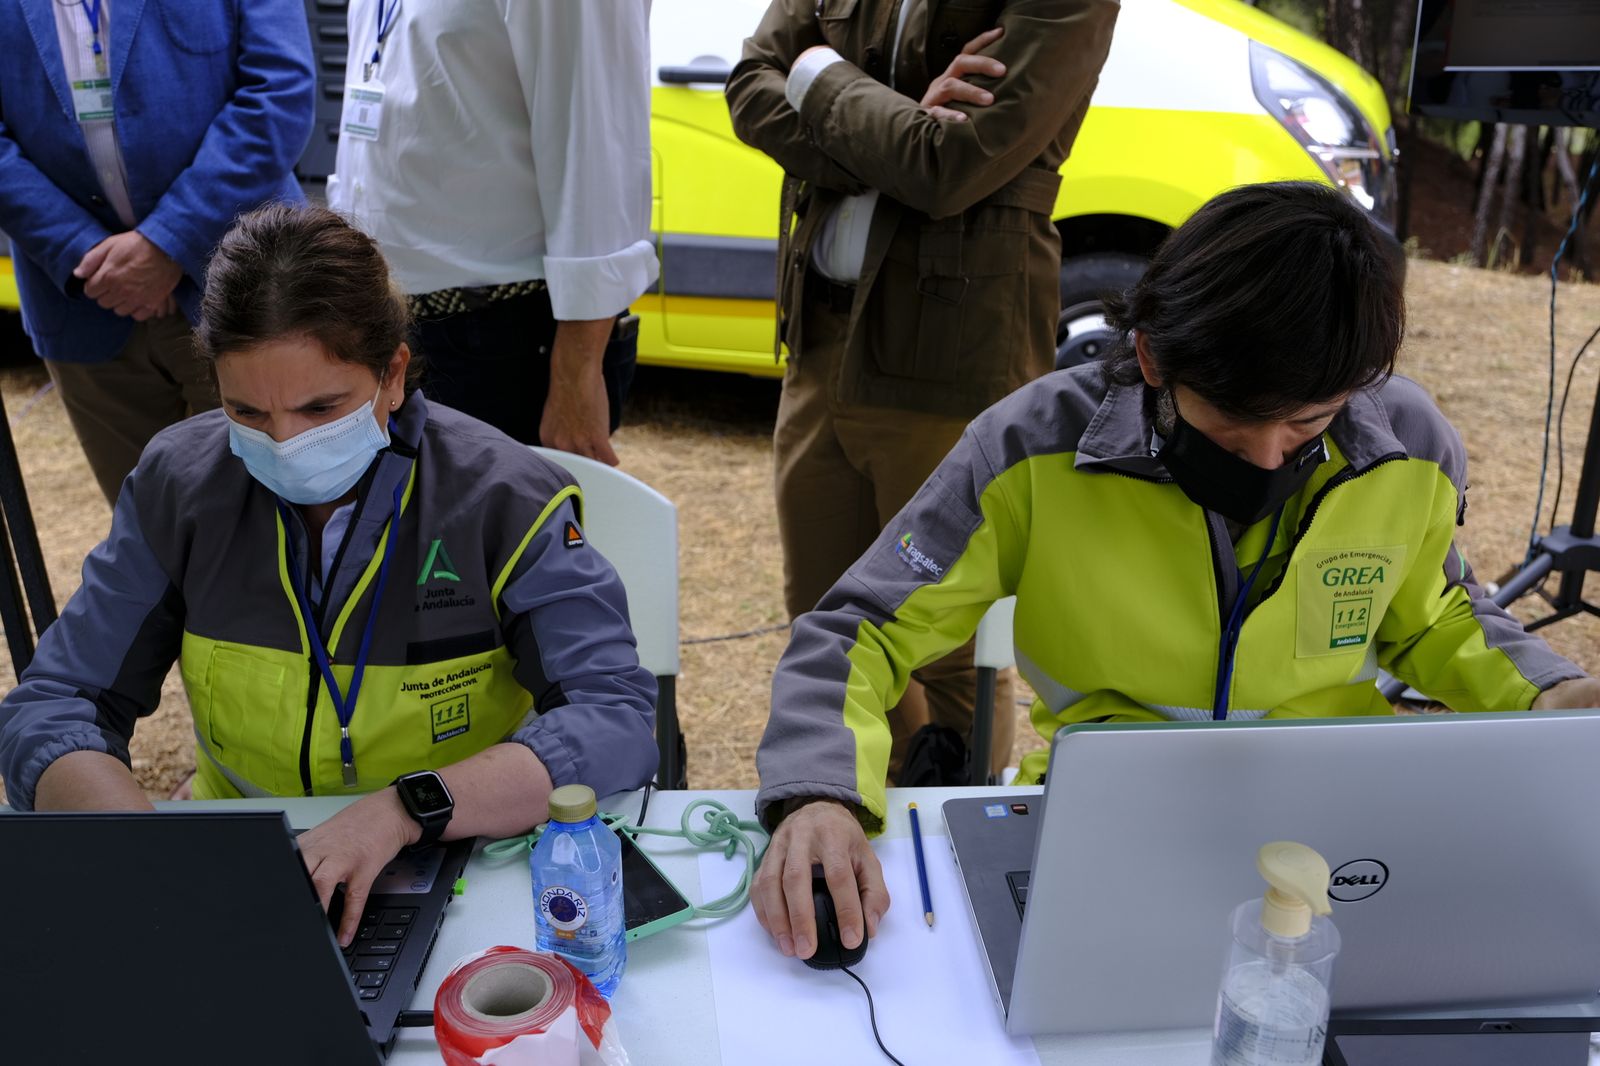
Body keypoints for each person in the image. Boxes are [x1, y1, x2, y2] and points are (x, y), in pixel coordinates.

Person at [748, 181, 1600, 962]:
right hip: (1106, 818)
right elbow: (859, 628)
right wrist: (819, 794)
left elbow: (1439, 616)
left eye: (1306, 425)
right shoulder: (1031, 445)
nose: (1268, 458)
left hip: (1332, 833)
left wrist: (1552, 694)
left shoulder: (1406, 446)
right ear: (1152, 358)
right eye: (1234, 427)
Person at [0, 205, 660, 945]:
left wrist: (405, 810)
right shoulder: (177, 486)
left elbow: (615, 717)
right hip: (246, 868)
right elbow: (54, 704)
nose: (285, 444)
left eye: (322, 407)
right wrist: (152, 860)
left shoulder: (502, 497)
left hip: (466, 856)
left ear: (394, 376)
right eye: (245, 411)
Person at [725, 0, 1118, 782]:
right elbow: (748, 88)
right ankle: (870, 813)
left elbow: (953, 165)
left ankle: (949, 834)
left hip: (953, 347)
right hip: (821, 340)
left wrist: (819, 76)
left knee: (945, 646)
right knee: (825, 618)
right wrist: (900, 128)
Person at [0, 0, 315, 502]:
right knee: (151, 538)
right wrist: (84, 249)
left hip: (249, 294)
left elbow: (280, 92)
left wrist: (169, 242)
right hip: (87, 302)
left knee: (284, 523)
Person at [326, 0, 657, 464]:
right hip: (388, 321)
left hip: (504, 337)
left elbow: (598, 155)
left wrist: (576, 373)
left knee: (502, 534)